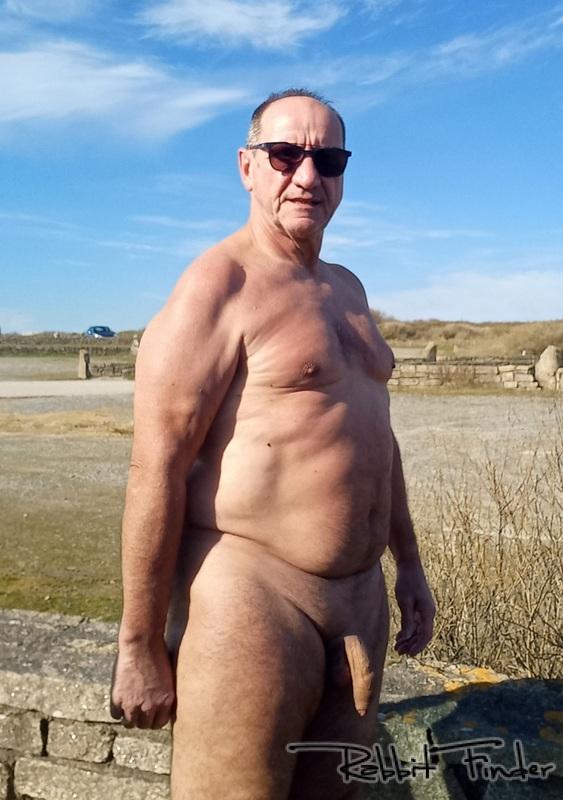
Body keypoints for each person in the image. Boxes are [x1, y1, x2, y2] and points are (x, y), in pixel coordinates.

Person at [110, 88, 435, 800]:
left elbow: (374, 437)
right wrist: (138, 644)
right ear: (247, 166)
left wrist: (408, 563)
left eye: (329, 159)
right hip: (254, 598)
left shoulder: (348, 290)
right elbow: (155, 468)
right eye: (285, 155)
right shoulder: (216, 287)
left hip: (359, 605)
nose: (308, 176)